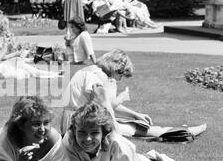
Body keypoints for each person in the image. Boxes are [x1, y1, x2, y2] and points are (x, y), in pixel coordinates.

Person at [60, 49, 207, 139]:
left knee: (133, 124)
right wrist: (121, 100)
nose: (120, 79)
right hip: (78, 126)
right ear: (116, 69)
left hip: (75, 121)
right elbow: (106, 108)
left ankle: (182, 131)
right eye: (121, 76)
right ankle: (185, 132)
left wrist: (135, 114)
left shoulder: (91, 70)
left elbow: (105, 106)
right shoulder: (98, 78)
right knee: (137, 129)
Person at [64, 101, 143, 161]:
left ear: (104, 133)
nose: (88, 139)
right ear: (74, 131)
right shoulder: (69, 140)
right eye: (82, 132)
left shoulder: (117, 143)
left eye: (94, 133)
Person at [0, 15, 63, 80]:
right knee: (25, 70)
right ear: (2, 27)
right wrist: (6, 45)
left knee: (19, 62)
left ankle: (53, 72)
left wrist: (15, 53)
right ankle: (54, 74)